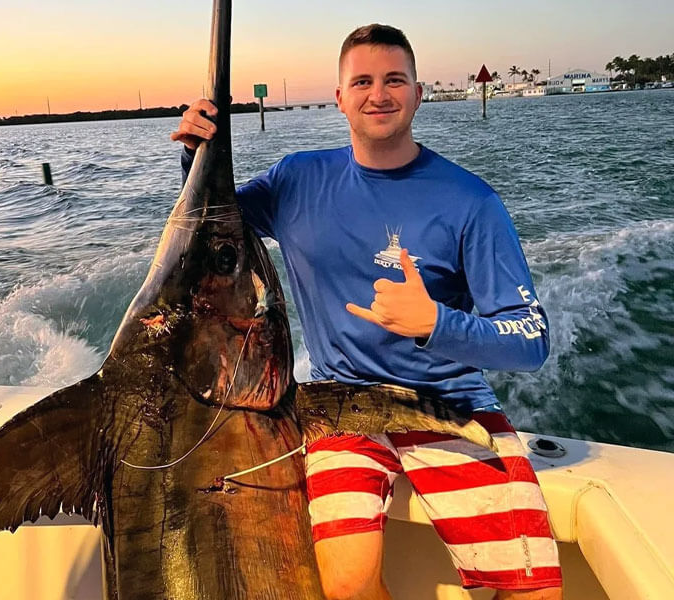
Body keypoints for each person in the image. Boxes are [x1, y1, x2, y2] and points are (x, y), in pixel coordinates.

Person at [172, 24, 563, 600]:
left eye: (393, 80)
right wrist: (196, 153)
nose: (378, 94)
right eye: (362, 81)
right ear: (339, 97)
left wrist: (436, 324)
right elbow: (215, 227)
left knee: (533, 592)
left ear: (418, 92)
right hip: (339, 407)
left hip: (447, 405)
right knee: (348, 587)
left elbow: (531, 340)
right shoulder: (296, 180)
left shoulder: (472, 201)